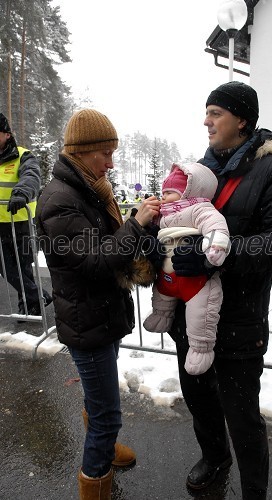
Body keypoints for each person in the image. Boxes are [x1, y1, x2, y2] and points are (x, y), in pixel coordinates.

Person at [168, 82, 272, 499]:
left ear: (242, 120)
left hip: (240, 321)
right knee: (199, 400)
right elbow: (178, 220)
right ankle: (215, 458)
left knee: (243, 418)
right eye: (206, 113)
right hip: (190, 314)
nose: (206, 121)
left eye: (216, 113)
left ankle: (254, 491)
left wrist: (216, 255)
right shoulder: (198, 172)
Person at [35, 108, 160, 500]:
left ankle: (103, 448)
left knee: (98, 398)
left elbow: (111, 248)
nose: (111, 161)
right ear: (81, 152)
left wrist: (143, 227)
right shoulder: (60, 199)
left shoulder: (90, 189)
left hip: (99, 313)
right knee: (107, 413)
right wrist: (135, 224)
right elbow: (95, 259)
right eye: (103, 152)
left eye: (113, 151)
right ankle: (95, 482)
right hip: (86, 320)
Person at [143, 163, 230, 375]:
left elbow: (216, 226)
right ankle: (162, 314)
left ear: (189, 192)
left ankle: (201, 349)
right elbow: (149, 231)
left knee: (201, 312)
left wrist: (216, 244)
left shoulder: (200, 208)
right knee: (162, 291)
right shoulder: (163, 214)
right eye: (163, 193)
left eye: (170, 193)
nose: (164, 198)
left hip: (195, 280)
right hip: (168, 275)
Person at [0, 112, 52, 317]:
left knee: (23, 265)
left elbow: (31, 176)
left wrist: (21, 193)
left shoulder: (23, 156)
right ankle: (39, 296)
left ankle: (30, 305)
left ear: (7, 135)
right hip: (0, 225)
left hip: (21, 222)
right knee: (6, 267)